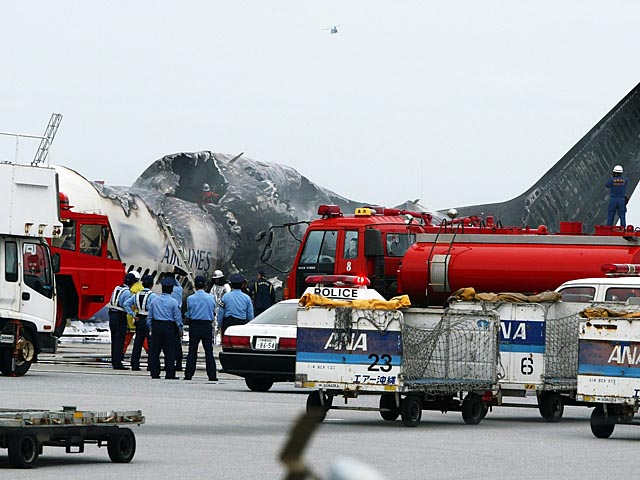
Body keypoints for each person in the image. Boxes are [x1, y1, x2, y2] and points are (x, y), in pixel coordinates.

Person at [147, 277, 183, 379]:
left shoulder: (154, 301)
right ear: (171, 289)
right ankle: (170, 373)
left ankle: (155, 373)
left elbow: (150, 317)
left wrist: (150, 328)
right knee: (169, 351)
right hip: (169, 327)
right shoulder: (174, 302)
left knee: (155, 351)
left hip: (157, 326)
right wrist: (180, 330)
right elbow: (177, 318)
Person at [184, 275, 218, 381]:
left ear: (195, 284)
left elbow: (189, 313)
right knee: (209, 351)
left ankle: (188, 374)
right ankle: (212, 376)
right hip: (207, 325)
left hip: (195, 325)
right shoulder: (211, 298)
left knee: (192, 350)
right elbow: (213, 310)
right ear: (205, 285)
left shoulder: (190, 298)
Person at [123, 274, 156, 371]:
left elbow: (126, 304)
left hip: (139, 318)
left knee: (137, 343)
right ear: (151, 285)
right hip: (148, 319)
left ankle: (135, 364)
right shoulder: (153, 296)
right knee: (150, 343)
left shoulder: (137, 295)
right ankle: (151, 365)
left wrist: (133, 314)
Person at [108, 272, 136, 370]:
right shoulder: (127, 292)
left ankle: (114, 360)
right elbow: (126, 305)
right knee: (120, 340)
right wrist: (133, 315)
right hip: (120, 316)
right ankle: (118, 362)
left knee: (114, 340)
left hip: (112, 314)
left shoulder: (117, 288)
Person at [163, 271, 184, 371]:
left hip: (168, 319)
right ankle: (178, 363)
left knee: (167, 344)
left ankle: (169, 364)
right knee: (177, 344)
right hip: (177, 318)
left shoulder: (166, 293)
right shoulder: (179, 289)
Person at [123, 271, 143, 355]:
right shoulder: (141, 288)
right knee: (143, 339)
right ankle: (150, 354)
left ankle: (121, 353)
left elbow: (127, 304)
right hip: (140, 316)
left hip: (131, 316)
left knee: (126, 339)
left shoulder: (131, 290)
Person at [209, 269, 231, 340]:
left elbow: (228, 296)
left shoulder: (226, 286)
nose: (216, 281)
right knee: (214, 325)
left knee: (221, 325)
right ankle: (215, 339)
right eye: (215, 279)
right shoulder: (214, 286)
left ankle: (221, 339)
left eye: (217, 279)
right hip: (215, 308)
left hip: (223, 308)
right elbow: (211, 295)